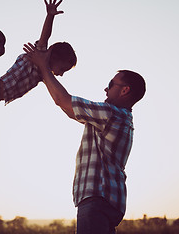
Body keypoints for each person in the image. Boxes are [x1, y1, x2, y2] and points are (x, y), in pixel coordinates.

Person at [23, 43, 146, 233]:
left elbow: (62, 100)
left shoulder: (110, 114)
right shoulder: (119, 118)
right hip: (108, 200)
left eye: (111, 84)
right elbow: (70, 110)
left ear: (125, 90)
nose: (106, 89)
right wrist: (45, 75)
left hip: (97, 196)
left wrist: (43, 67)